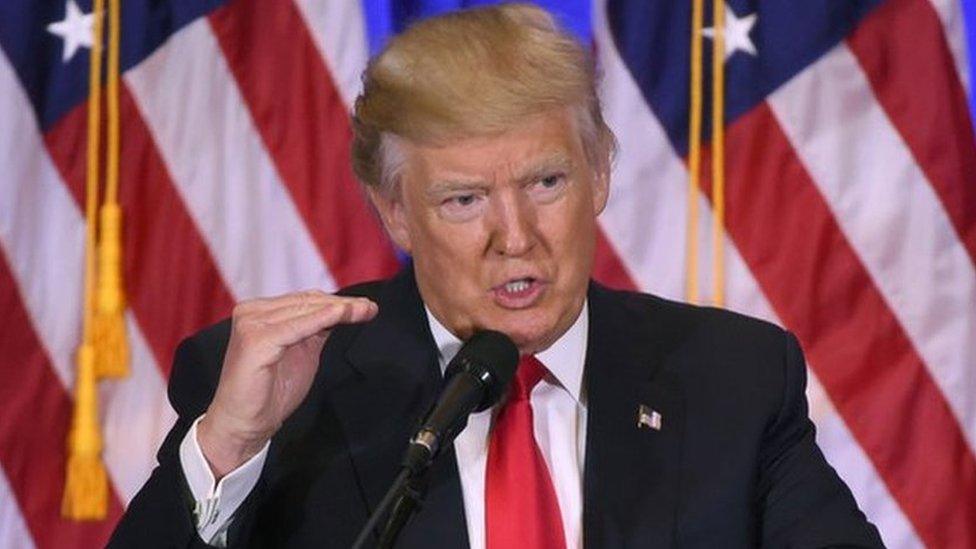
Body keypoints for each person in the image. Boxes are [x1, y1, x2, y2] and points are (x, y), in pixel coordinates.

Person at [110, 4, 883, 548]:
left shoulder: (733, 376)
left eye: (547, 183)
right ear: (395, 213)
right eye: (465, 199)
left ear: (601, 175)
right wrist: (229, 443)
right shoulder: (283, 390)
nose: (514, 237)